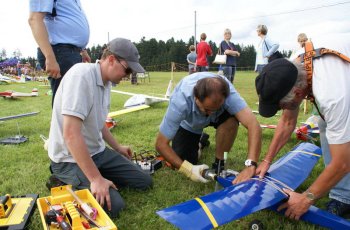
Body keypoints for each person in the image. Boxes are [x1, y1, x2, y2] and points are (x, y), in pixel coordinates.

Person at [47, 38, 153, 217]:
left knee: (144, 181)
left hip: (97, 153)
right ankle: (60, 179)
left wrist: (117, 147)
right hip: (68, 160)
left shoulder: (107, 83)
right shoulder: (80, 76)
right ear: (111, 60)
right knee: (115, 206)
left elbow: (99, 122)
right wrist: (96, 179)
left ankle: (93, 174)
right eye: (127, 69)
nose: (127, 75)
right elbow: (71, 134)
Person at [255, 36, 350, 220]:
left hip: (343, 85)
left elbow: (344, 162)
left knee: (342, 144)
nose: (282, 111)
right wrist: (267, 160)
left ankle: (344, 198)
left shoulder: (332, 95)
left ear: (298, 94)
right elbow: (288, 122)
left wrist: (306, 198)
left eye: (281, 106)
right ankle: (343, 194)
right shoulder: (293, 67)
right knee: (324, 122)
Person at [155, 72, 261, 184]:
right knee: (184, 160)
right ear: (196, 98)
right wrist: (189, 170)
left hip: (221, 119)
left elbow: (254, 125)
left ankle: (219, 163)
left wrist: (251, 164)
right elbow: (160, 144)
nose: (211, 113)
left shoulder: (229, 94)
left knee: (231, 120)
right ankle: (201, 142)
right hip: (191, 123)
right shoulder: (180, 101)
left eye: (215, 109)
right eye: (207, 109)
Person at [28, 0, 91, 107]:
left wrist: (82, 50)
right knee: (66, 104)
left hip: (69, 52)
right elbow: (34, 19)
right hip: (59, 52)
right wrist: (50, 57)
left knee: (72, 101)